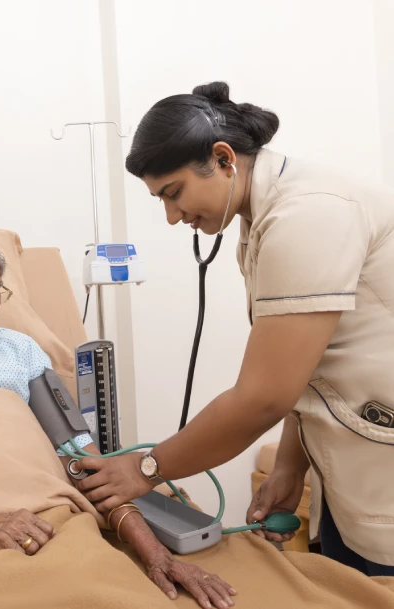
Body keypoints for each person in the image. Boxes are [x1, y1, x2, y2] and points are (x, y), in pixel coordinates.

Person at [76, 82, 394, 576]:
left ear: (224, 158)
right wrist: (291, 465)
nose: (171, 216)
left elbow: (262, 397)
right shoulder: (266, 212)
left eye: (173, 193)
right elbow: (310, 365)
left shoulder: (307, 213)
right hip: (353, 456)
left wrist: (147, 468)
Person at [0, 220, 236, 609]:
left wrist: (155, 555)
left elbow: (87, 466)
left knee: (94, 589)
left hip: (41, 516)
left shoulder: (22, 352)